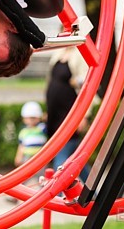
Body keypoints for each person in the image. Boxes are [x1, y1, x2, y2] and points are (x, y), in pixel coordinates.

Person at [45, 47, 92, 182]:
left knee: (63, 153)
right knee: (75, 159)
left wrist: (84, 115)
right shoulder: (58, 53)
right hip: (55, 113)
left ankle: (55, 193)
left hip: (70, 112)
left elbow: (88, 82)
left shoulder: (81, 55)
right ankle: (93, 194)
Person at [14, 101, 48, 188]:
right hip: (27, 158)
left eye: (34, 117)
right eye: (29, 118)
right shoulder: (23, 132)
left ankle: (43, 195)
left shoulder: (41, 128)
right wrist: (18, 157)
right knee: (23, 177)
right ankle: (16, 193)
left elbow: (48, 121)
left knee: (42, 178)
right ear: (24, 119)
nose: (31, 120)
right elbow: (21, 146)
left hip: (40, 158)